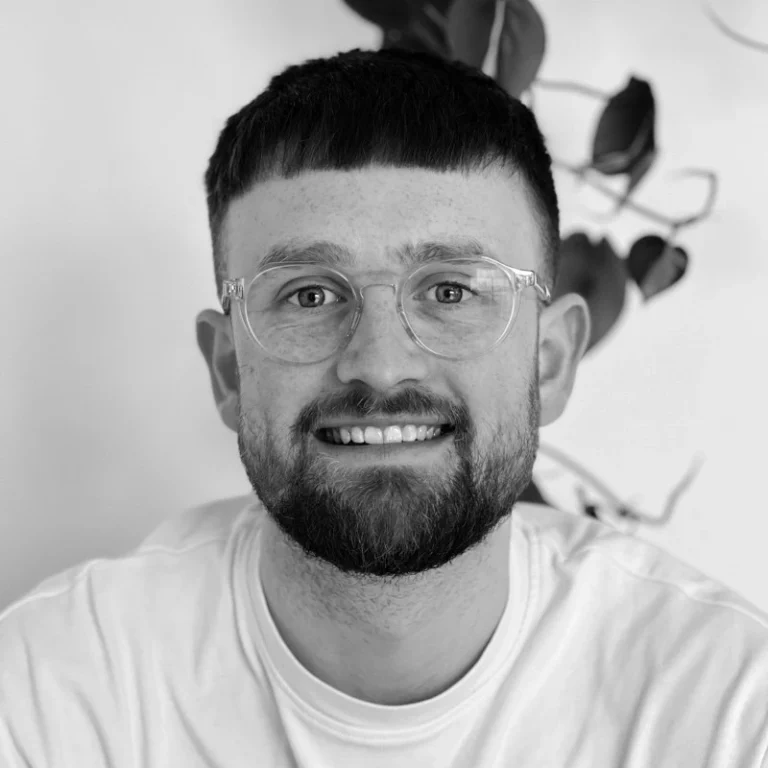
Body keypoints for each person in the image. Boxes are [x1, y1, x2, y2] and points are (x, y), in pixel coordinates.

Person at [1, 47, 767, 768]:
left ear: (552, 358)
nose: (380, 362)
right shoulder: (57, 689)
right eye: (308, 294)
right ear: (230, 369)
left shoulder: (723, 707)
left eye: (450, 291)